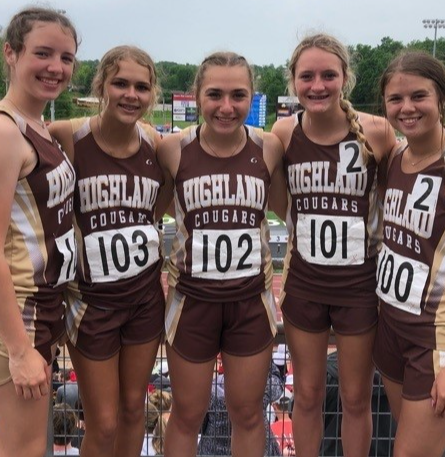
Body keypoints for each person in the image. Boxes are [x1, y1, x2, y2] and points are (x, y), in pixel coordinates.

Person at [272, 34, 396, 456]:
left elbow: (392, 200)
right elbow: (278, 202)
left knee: (356, 399)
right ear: (293, 81)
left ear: (346, 78)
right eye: (307, 76)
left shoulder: (377, 132)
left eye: (329, 75)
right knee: (306, 397)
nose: (318, 85)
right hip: (305, 285)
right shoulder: (284, 131)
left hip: (359, 288)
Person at [158, 51, 286, 457]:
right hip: (192, 302)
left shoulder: (269, 148)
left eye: (238, 95)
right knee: (185, 415)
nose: (226, 107)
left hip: (250, 302)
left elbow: (292, 209)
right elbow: (152, 207)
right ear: (197, 96)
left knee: (247, 415)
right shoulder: (172, 149)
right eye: (215, 94)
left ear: (252, 98)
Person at [49, 45, 172, 457]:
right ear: (100, 84)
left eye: (141, 86)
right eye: (120, 83)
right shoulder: (68, 136)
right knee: (102, 423)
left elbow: (156, 209)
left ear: (152, 93)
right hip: (91, 304)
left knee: (134, 408)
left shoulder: (155, 143)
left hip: (143, 300)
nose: (130, 94)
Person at [0, 8, 78, 457]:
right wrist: (19, 349)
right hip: (17, 317)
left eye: (66, 58)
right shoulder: (1, 132)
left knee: (11, 445)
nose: (55, 68)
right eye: (42, 53)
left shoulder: (39, 127)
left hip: (40, 309)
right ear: (11, 53)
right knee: (23, 450)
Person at [373, 51, 445, 457]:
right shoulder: (395, 157)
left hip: (432, 339)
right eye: (395, 99)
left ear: (440, 99)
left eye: (419, 96)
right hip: (391, 325)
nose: (407, 108)